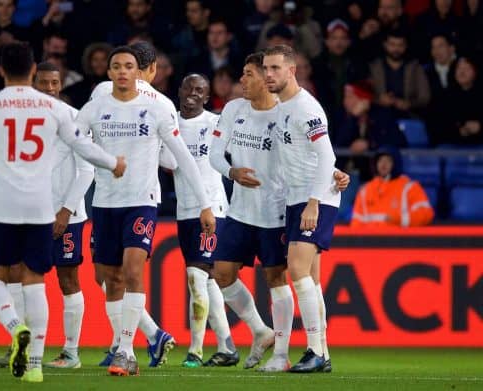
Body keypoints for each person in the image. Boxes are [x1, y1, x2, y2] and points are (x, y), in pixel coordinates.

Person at [0, 42, 125, 383]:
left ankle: (16, 329)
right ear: (32, 72)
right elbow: (84, 146)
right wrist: (112, 162)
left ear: (1, 70)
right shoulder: (54, 110)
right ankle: (35, 365)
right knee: (35, 281)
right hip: (41, 207)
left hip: (2, 207)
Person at [75, 46, 215, 376]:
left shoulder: (158, 108)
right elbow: (72, 138)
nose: (123, 72)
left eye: (129, 66)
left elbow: (182, 157)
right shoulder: (96, 106)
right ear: (109, 73)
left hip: (141, 201)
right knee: (110, 278)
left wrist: (205, 204)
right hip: (105, 202)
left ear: (140, 72)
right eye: (117, 66)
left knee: (133, 271)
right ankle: (137, 342)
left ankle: (125, 350)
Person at [210, 52, 348, 372]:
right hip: (263, 206)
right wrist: (231, 172)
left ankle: (298, 353)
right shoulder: (265, 108)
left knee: (294, 275)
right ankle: (307, 346)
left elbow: (321, 152)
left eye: (256, 72)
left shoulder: (297, 107)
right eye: (265, 69)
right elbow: (307, 152)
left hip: (289, 206)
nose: (243, 80)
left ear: (285, 72)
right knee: (303, 278)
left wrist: (323, 187)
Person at [0, 61, 95, 370]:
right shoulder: (23, 120)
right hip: (29, 214)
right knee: (17, 275)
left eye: (54, 83)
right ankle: (18, 346)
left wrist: (65, 211)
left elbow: (87, 170)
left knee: (68, 278)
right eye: (44, 83)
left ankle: (71, 352)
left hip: (67, 217)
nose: (50, 88)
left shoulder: (74, 119)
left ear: (60, 85)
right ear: (34, 84)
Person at [89, 41, 179, 369]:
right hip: (110, 197)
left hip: (129, 196)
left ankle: (124, 345)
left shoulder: (104, 91)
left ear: (134, 68)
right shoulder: (165, 104)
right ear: (151, 69)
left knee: (121, 274)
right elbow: (171, 160)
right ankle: (148, 336)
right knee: (111, 275)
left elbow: (85, 142)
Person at [263, 44, 340, 373]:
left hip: (315, 198)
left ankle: (314, 351)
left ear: (292, 71)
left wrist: (314, 201)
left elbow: (327, 156)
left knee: (296, 269)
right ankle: (321, 351)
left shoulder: (306, 107)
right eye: (266, 68)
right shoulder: (281, 108)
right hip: (296, 197)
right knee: (310, 276)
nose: (269, 74)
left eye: (275, 69)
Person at [174, 73, 239, 368]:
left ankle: (195, 351)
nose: (193, 93)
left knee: (197, 276)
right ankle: (227, 345)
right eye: (188, 87)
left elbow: (240, 152)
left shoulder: (215, 124)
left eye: (199, 89)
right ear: (179, 90)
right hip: (184, 212)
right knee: (209, 280)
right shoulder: (169, 122)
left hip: (212, 210)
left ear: (206, 96)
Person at [351, 146, 434, 227]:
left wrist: (399, 219)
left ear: (396, 163)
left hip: (400, 239)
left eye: (388, 161)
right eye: (380, 161)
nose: (383, 164)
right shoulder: (365, 190)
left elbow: (426, 214)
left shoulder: (410, 188)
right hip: (369, 240)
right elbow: (356, 223)